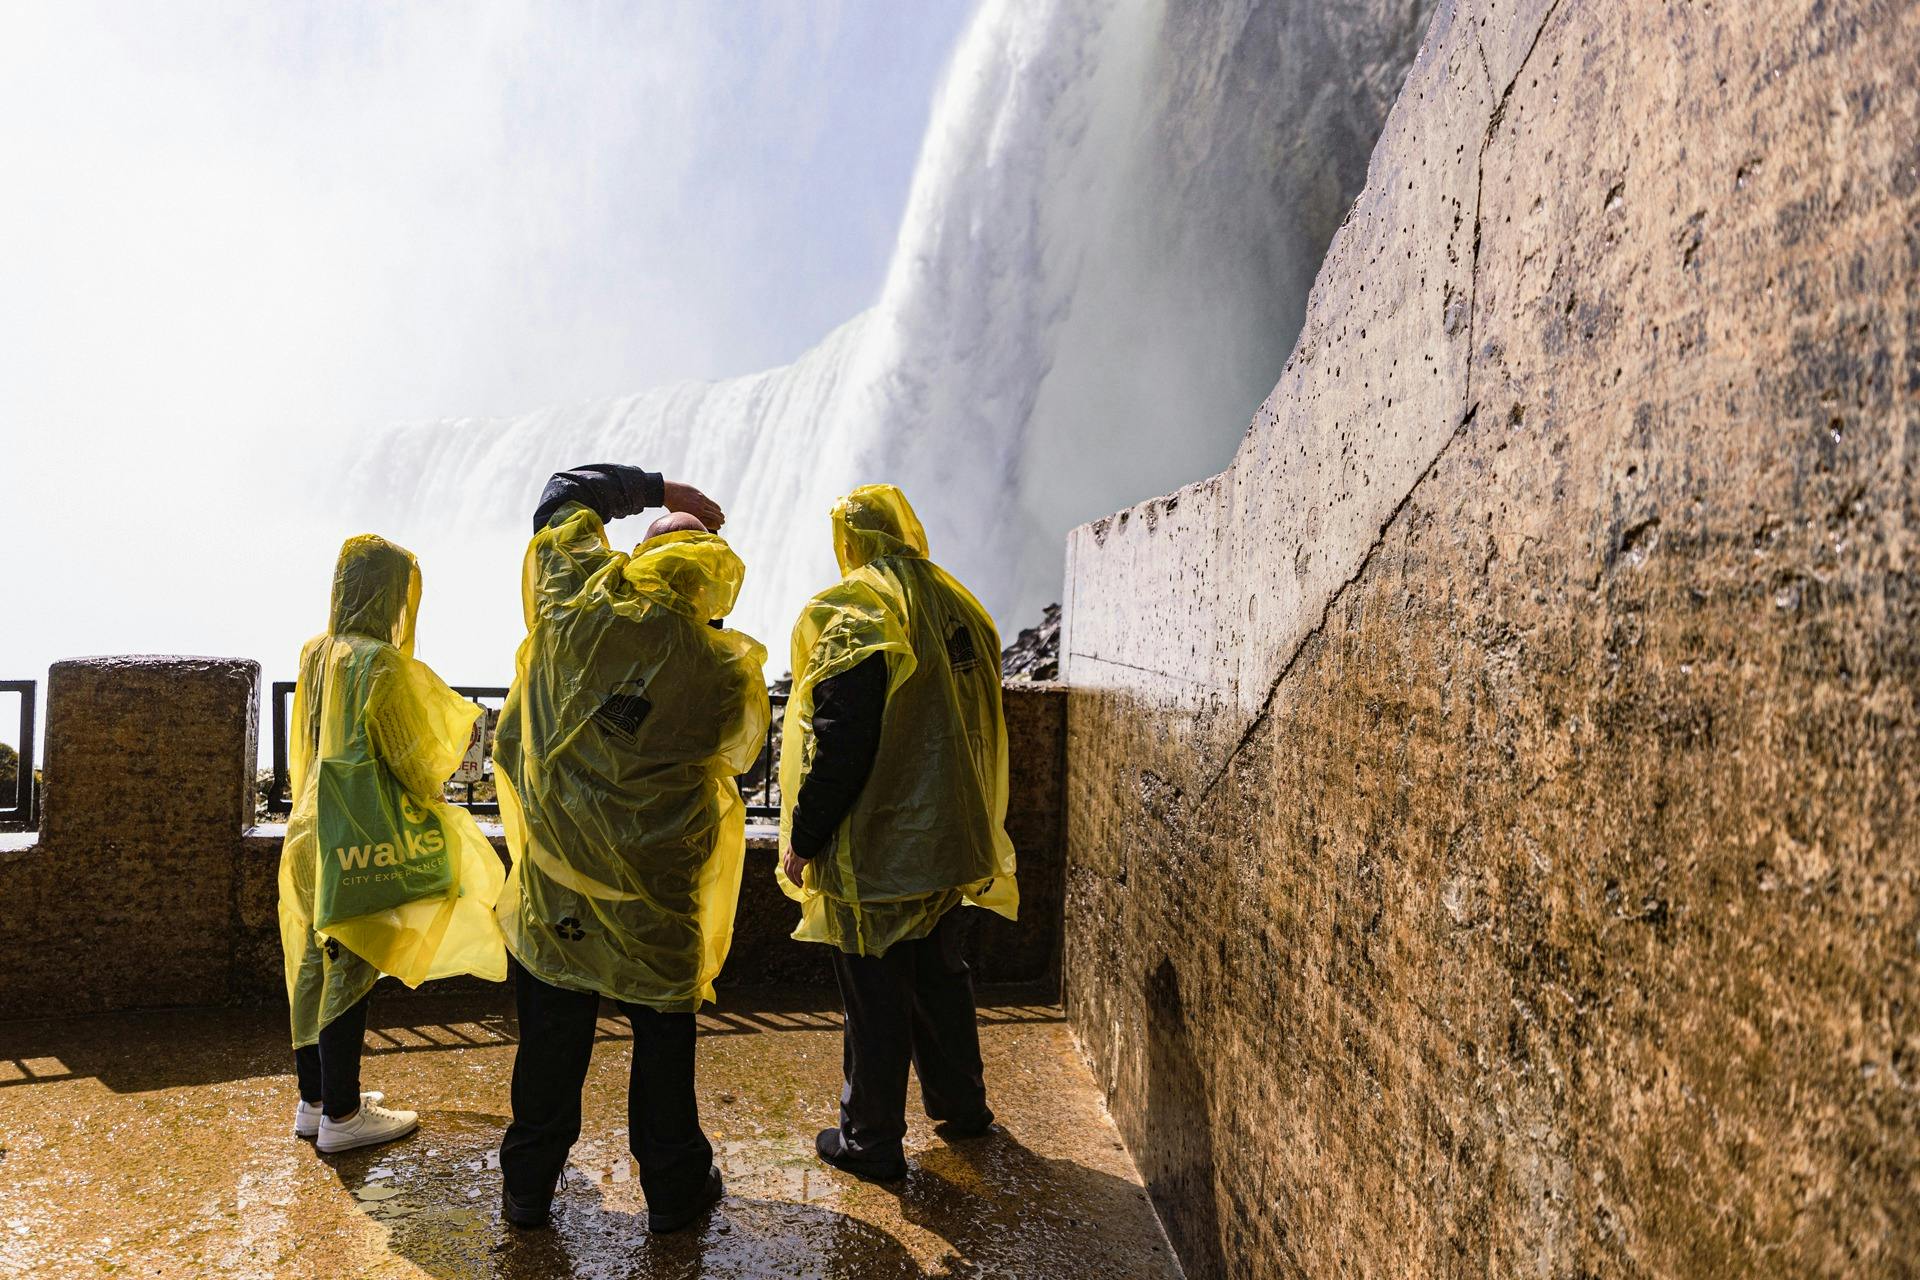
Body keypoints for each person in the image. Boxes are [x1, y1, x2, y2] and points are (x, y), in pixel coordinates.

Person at [493, 464, 768, 1234]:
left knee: (551, 1039)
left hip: (560, 888)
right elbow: (739, 755)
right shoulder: (723, 671)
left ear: (637, 560)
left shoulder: (574, 604)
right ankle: (675, 1193)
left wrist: (659, 490)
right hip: (658, 895)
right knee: (663, 1047)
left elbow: (560, 493)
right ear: (712, 582)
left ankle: (528, 1192)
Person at [777, 484, 1019, 1181]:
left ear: (848, 542)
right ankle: (962, 1109)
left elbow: (842, 739)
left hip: (879, 846)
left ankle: (870, 1141)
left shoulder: (854, 607)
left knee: (873, 998)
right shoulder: (957, 602)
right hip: (952, 836)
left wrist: (807, 833)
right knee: (941, 979)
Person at [279, 534, 509, 1155]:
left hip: (309, 829)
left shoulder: (316, 653)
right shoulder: (378, 662)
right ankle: (345, 1116)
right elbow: (411, 758)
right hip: (360, 835)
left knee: (312, 962)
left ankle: (315, 1100)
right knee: (352, 960)